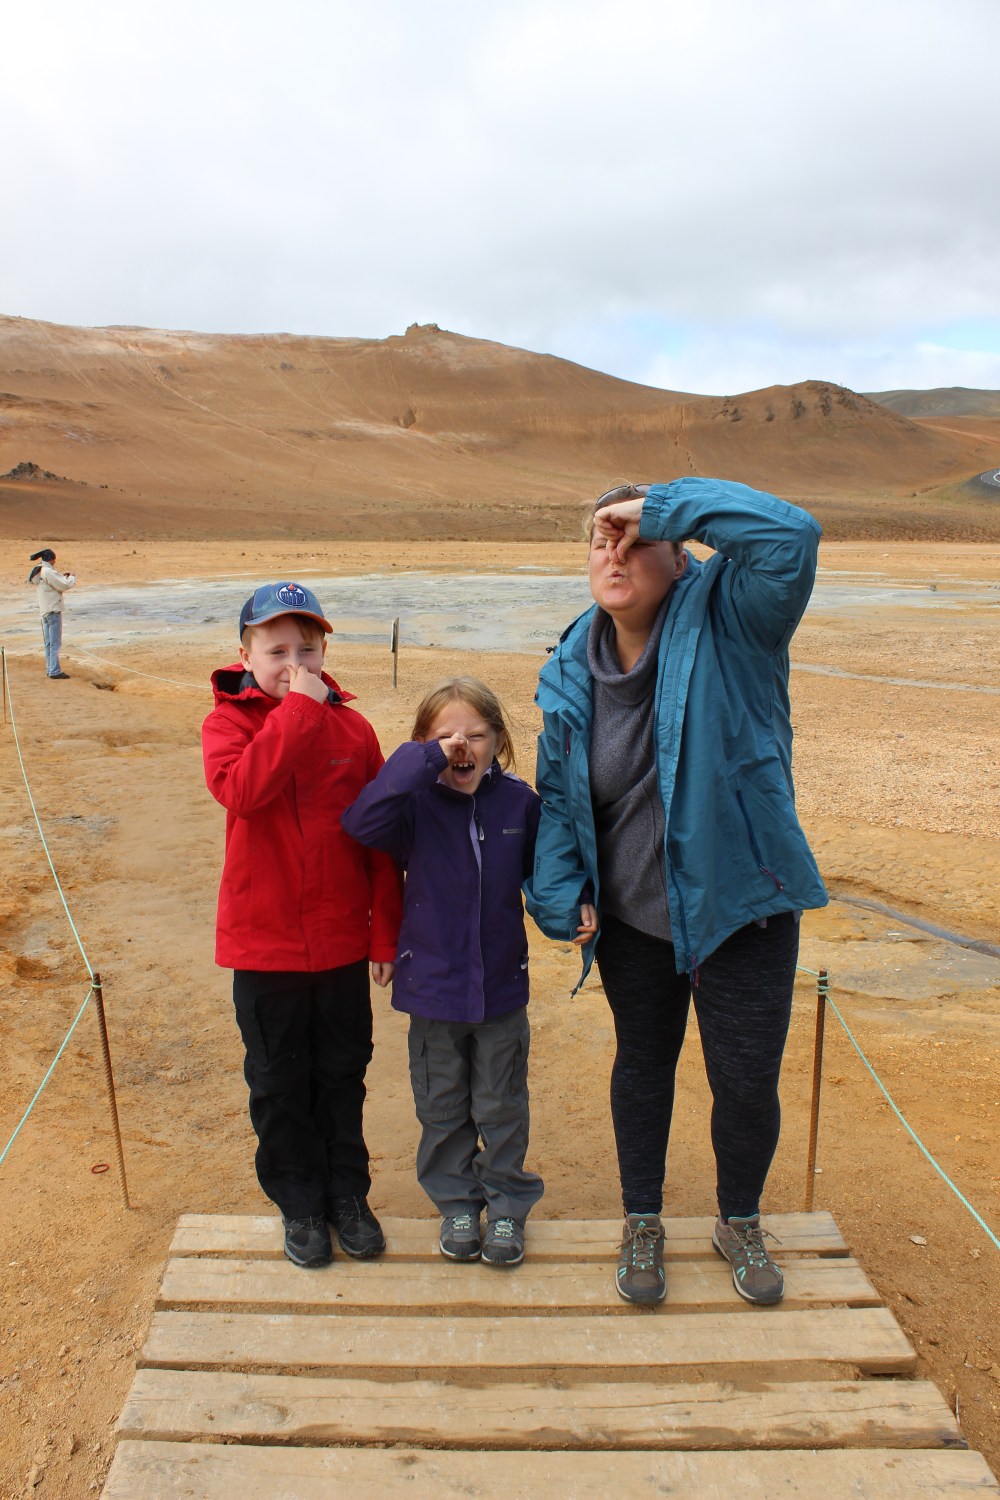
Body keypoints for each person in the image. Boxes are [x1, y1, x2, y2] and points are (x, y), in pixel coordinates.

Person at [526, 479, 828, 1306]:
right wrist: (558, 888)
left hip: (740, 904)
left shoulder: (737, 620)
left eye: (635, 539)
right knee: (643, 1066)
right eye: (602, 540)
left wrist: (661, 506)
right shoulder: (570, 665)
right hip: (633, 915)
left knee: (745, 1081)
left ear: (682, 553)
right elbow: (559, 793)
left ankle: (740, 1219)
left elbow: (792, 536)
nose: (615, 553)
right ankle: (642, 1221)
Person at [202, 581, 402, 1270]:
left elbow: (380, 841)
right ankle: (301, 1204)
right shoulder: (228, 726)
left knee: (343, 1075)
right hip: (265, 948)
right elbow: (243, 791)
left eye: (308, 650)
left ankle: (348, 1196)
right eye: (277, 650)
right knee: (279, 1083)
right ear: (245, 656)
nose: (295, 663)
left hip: (341, 944)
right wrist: (297, 711)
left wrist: (384, 935)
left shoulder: (356, 731)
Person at [343, 677, 544, 1267]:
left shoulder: (519, 804)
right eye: (444, 738)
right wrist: (422, 762)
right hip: (432, 989)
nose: (461, 746)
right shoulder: (413, 806)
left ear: (498, 740)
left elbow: (550, 869)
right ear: (423, 745)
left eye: (476, 735)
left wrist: (579, 902)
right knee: (442, 1105)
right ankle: (457, 1203)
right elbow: (360, 823)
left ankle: (505, 1206)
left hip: (501, 989)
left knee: (502, 1105)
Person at [28, 548, 75, 678]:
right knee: (55, 643)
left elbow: (53, 583)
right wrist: (71, 577)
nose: (55, 561)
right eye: (54, 559)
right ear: (51, 559)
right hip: (53, 610)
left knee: (49, 643)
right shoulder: (48, 571)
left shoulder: (38, 570)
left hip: (45, 611)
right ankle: (54, 670)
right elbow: (63, 585)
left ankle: (50, 668)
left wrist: (62, 577)